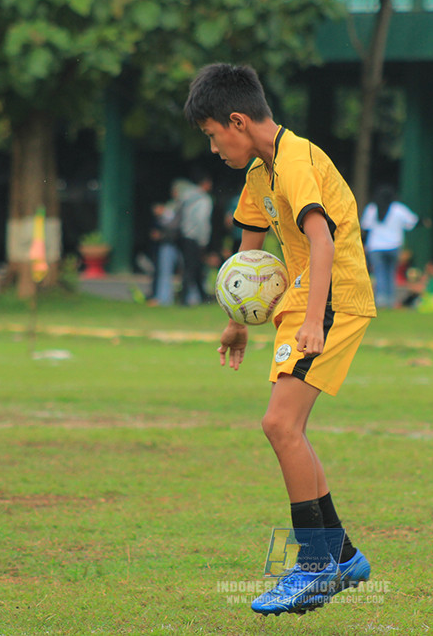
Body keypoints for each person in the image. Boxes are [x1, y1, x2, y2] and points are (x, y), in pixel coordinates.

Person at [184, 63, 377, 615]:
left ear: (237, 120)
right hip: (304, 301)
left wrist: (315, 319)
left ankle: (315, 566)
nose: (214, 147)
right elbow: (250, 254)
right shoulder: (259, 174)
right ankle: (343, 554)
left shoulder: (294, 163)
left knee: (279, 424)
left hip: (332, 298)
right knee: (289, 429)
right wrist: (236, 321)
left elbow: (321, 240)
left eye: (213, 134)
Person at [360, 184, 419, 308]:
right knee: (391, 272)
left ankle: (381, 300)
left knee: (379, 273)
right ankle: (391, 300)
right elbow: (412, 222)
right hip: (394, 246)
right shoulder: (398, 209)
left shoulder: (371, 208)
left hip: (375, 247)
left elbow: (365, 227)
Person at [176, 169, 214, 305]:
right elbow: (201, 220)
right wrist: (204, 240)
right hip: (195, 237)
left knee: (194, 267)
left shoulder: (186, 196)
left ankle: (202, 296)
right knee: (191, 268)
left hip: (184, 235)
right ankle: (184, 298)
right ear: (204, 183)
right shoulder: (203, 199)